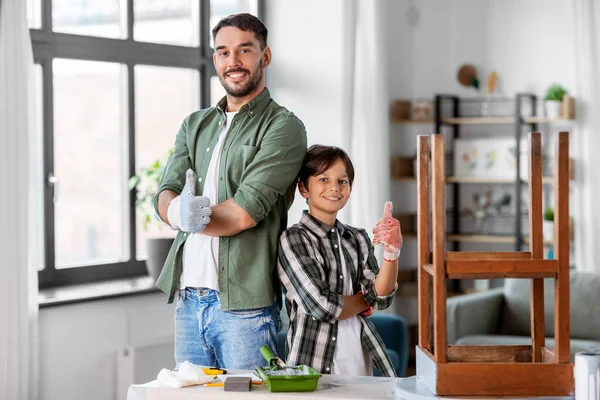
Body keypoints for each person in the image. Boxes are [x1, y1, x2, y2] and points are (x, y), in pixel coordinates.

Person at [152, 13, 307, 370]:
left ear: (264, 56)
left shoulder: (284, 127)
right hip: (188, 303)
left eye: (244, 51)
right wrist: (176, 211)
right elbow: (165, 192)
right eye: (223, 53)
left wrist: (186, 217)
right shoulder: (195, 124)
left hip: (245, 309)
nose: (232, 62)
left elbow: (243, 213)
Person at [277, 145, 402, 377]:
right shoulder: (293, 239)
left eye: (342, 181)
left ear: (350, 189)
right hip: (311, 365)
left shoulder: (358, 238)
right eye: (323, 179)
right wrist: (366, 301)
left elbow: (381, 299)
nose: (334, 187)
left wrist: (390, 254)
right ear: (304, 188)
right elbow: (322, 306)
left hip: (358, 361)